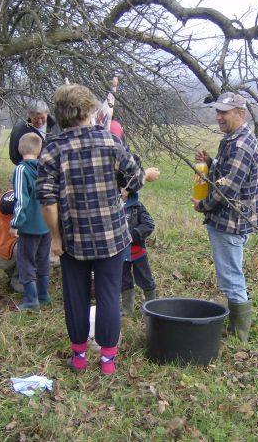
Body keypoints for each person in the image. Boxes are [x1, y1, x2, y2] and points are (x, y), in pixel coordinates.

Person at [36, 83, 160, 375]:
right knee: (107, 296)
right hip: (111, 237)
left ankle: (78, 358)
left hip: (72, 239)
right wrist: (120, 187)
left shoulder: (52, 151)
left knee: (75, 297)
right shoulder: (110, 142)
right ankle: (107, 362)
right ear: (89, 111)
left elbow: (47, 203)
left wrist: (55, 238)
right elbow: (135, 179)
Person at [191, 92, 258, 342]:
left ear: (240, 114)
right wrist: (210, 163)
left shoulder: (241, 144)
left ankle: (239, 335)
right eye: (218, 111)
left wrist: (202, 205)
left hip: (231, 222)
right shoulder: (233, 139)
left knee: (232, 278)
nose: (219, 116)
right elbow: (228, 174)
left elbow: (228, 189)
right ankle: (237, 328)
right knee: (232, 274)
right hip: (231, 220)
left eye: (224, 112)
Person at [10, 133, 52, 310]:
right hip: (47, 225)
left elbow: (22, 199)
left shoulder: (21, 170)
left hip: (29, 227)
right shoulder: (46, 168)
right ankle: (43, 294)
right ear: (39, 150)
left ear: (20, 149)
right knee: (43, 260)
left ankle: (31, 300)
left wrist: (15, 223)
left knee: (26, 261)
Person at [120, 188, 157, 314]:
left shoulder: (137, 206)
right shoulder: (111, 207)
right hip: (120, 252)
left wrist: (133, 235)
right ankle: (127, 308)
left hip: (137, 251)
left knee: (145, 277)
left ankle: (151, 305)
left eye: (123, 188)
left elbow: (149, 224)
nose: (120, 191)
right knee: (123, 278)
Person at [9, 99, 61, 165]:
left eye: (42, 118)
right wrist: (28, 168)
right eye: (36, 118)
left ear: (47, 114)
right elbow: (14, 155)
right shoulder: (19, 130)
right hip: (31, 171)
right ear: (30, 116)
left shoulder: (58, 124)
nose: (40, 121)